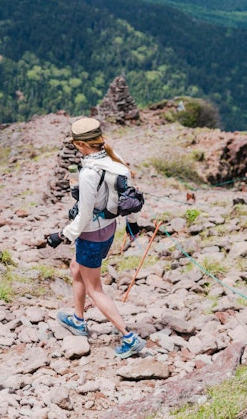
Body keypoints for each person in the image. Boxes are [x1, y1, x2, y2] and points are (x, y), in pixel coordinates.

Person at [46, 117, 145, 358]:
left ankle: (129, 337)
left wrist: (62, 234)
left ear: (80, 145)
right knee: (75, 268)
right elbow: (127, 198)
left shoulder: (89, 173)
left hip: (90, 233)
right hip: (109, 229)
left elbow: (84, 213)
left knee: (95, 288)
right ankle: (78, 320)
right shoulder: (115, 161)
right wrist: (133, 225)